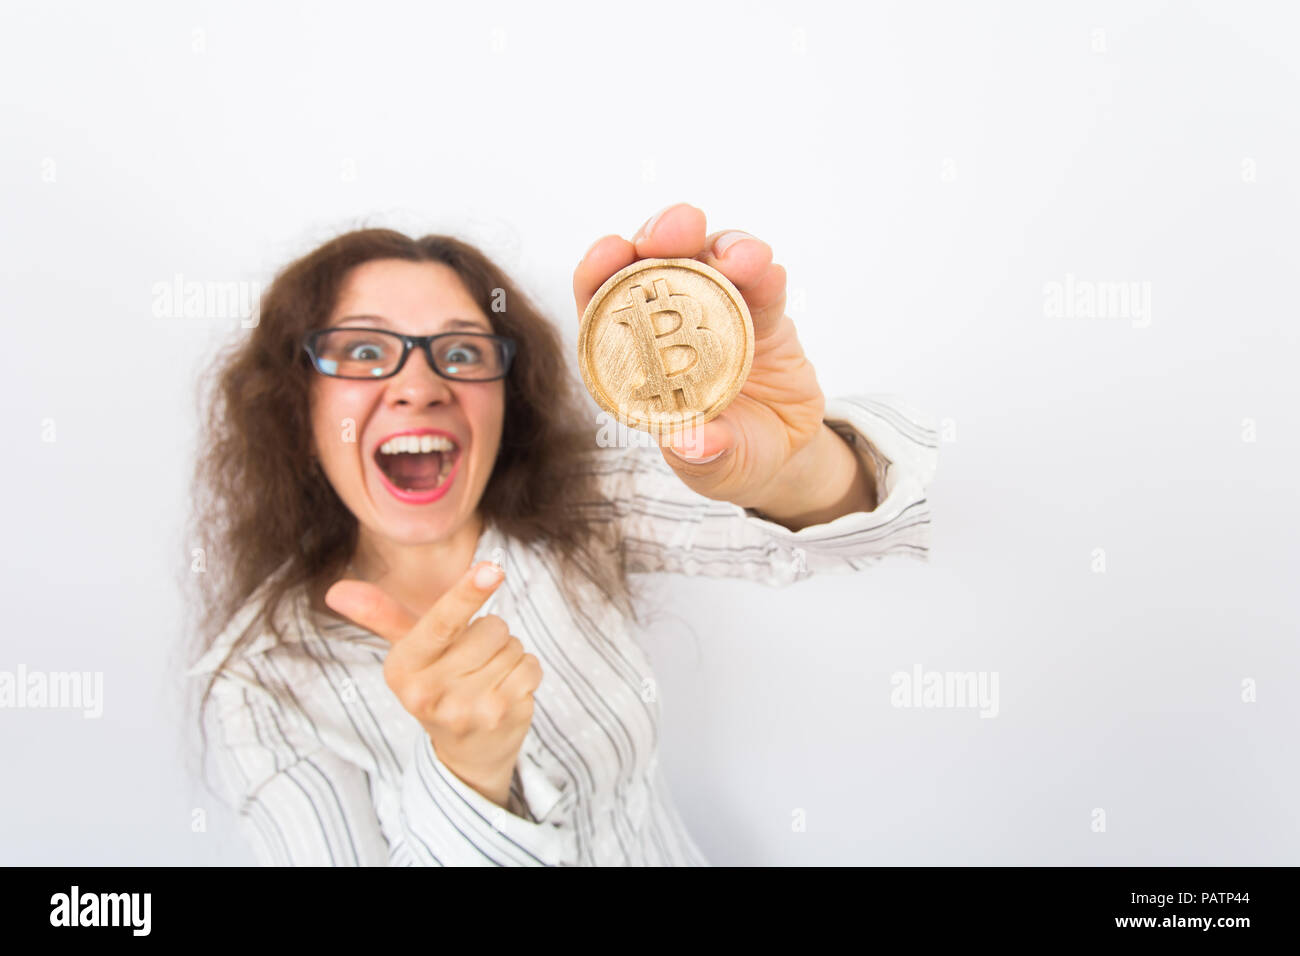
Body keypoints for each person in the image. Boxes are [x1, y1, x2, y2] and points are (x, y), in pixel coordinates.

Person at [184, 202, 938, 866]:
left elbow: (872, 534)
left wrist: (795, 467)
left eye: (461, 352)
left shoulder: (582, 506)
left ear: (506, 399)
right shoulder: (257, 685)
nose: (418, 385)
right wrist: (469, 776)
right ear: (297, 403)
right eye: (363, 351)